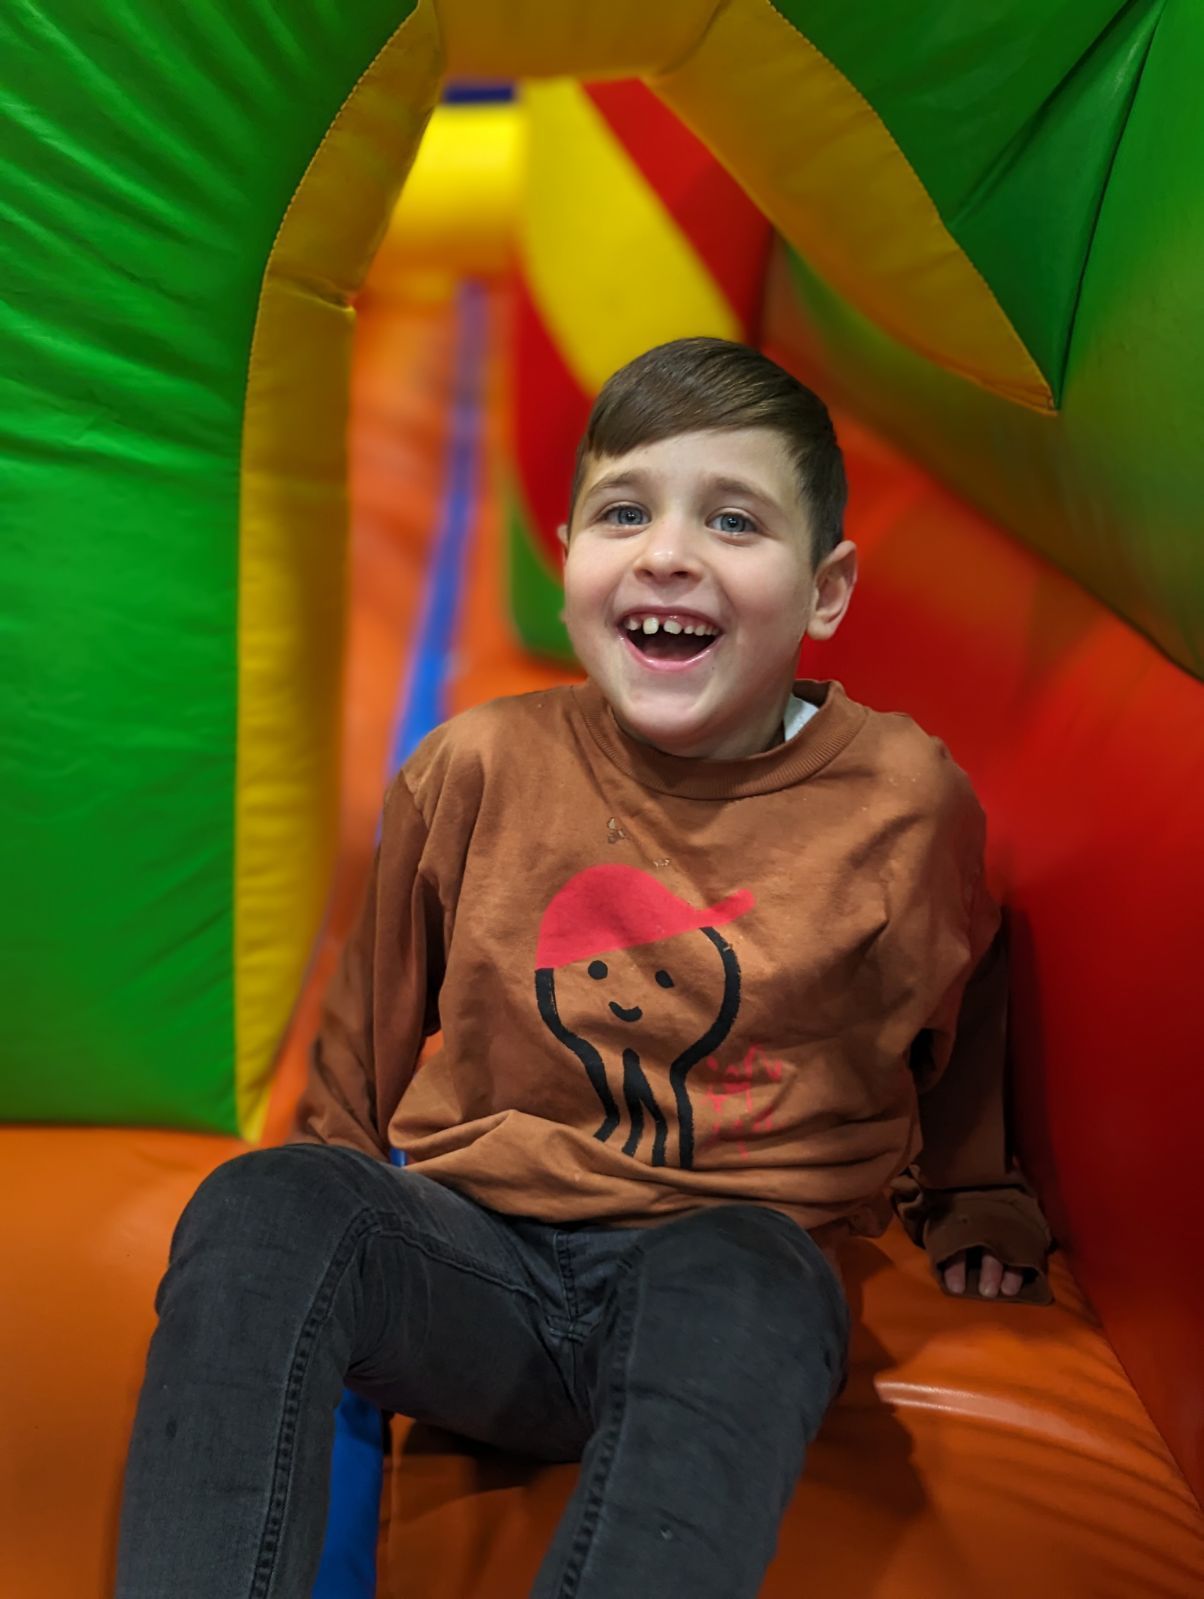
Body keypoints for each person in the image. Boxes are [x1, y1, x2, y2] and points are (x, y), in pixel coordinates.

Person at [116, 337, 1052, 1598]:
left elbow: (959, 989)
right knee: (263, 1200)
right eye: (625, 513)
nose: (667, 552)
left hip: (719, 1288)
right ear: (566, 560)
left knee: (749, 1276)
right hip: (477, 1271)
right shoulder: (479, 767)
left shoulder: (899, 801)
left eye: (731, 519)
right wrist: (328, 1214)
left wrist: (976, 1192)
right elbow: (368, 1030)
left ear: (825, 591)